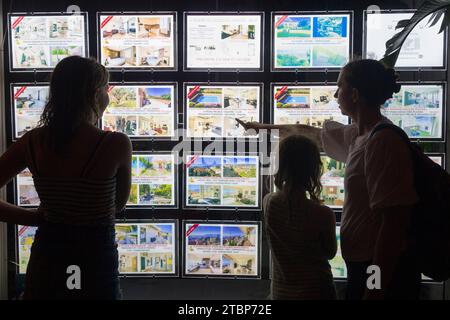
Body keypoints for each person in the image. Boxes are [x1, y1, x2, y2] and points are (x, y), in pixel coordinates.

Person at [238, 59, 420, 300]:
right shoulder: (359, 135)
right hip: (363, 267)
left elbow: (393, 224)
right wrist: (260, 127)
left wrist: (374, 288)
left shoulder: (382, 142)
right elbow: (305, 131)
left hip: (375, 272)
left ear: (354, 94)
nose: (335, 94)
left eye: (339, 86)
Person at [0, 56, 132, 299]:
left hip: (49, 252)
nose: (107, 96)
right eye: (105, 89)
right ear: (94, 95)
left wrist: (33, 218)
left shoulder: (34, 141)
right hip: (95, 256)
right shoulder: (115, 144)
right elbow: (117, 205)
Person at [263, 134, 337, 300]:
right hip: (317, 292)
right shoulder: (323, 213)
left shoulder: (268, 202)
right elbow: (330, 253)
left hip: (281, 293)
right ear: (313, 168)